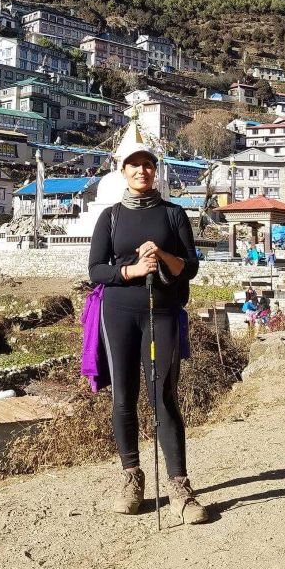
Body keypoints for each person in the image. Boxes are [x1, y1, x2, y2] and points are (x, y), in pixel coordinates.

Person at [88, 139, 206, 525]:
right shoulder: (111, 218)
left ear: (156, 171)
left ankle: (180, 488)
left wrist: (163, 257)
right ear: (122, 171)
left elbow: (190, 266)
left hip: (163, 312)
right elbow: (96, 271)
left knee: (164, 398)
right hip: (118, 313)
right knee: (124, 396)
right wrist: (132, 271)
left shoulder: (174, 215)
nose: (142, 171)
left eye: (148, 165)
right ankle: (132, 479)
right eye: (134, 165)